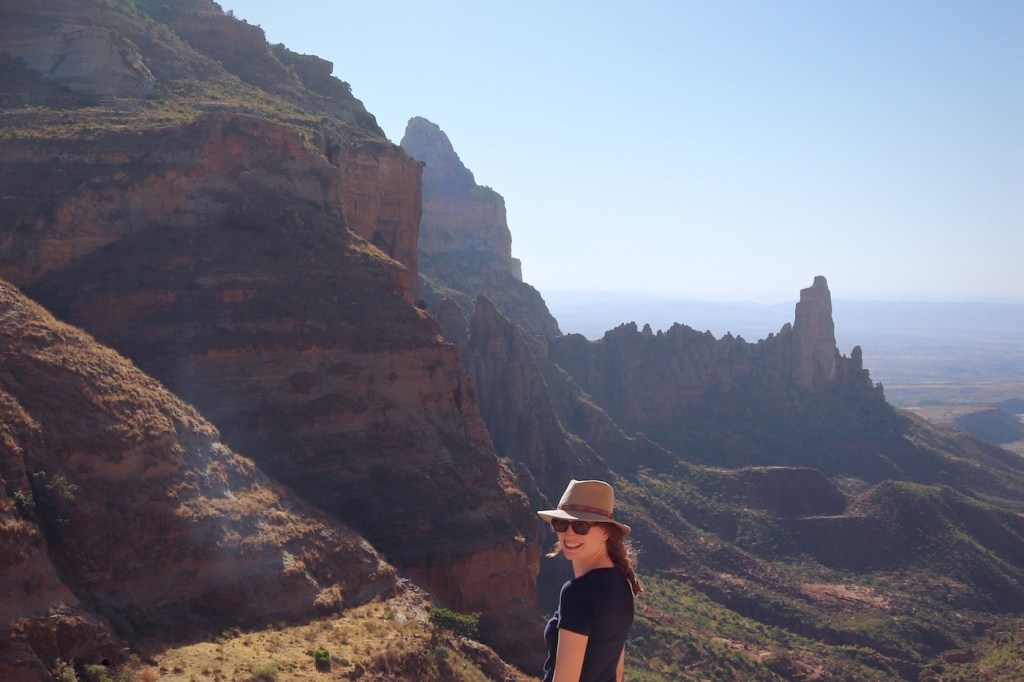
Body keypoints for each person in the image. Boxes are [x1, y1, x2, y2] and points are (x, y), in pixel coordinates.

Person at [538, 479, 642, 682]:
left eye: (581, 526)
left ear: (605, 532)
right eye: (560, 523)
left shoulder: (578, 593)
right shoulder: (622, 583)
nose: (568, 533)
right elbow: (617, 674)